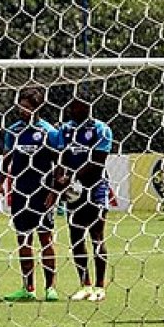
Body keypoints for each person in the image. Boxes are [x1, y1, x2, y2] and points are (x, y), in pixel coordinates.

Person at [0, 86, 64, 303]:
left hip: (43, 193)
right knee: (23, 240)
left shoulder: (50, 132)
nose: (22, 110)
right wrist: (1, 184)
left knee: (46, 239)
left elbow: (59, 165)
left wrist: (54, 192)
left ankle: (51, 287)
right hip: (20, 192)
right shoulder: (13, 131)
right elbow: (7, 159)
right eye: (20, 106)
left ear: (38, 108)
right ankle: (28, 288)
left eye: (26, 107)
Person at [56, 97, 112, 302]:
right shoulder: (65, 129)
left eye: (76, 107)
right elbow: (61, 157)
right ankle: (85, 285)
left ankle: (100, 287)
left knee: (97, 235)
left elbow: (98, 162)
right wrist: (61, 180)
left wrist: (70, 177)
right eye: (70, 106)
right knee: (76, 237)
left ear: (87, 107)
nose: (72, 110)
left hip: (96, 188)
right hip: (74, 191)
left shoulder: (101, 129)